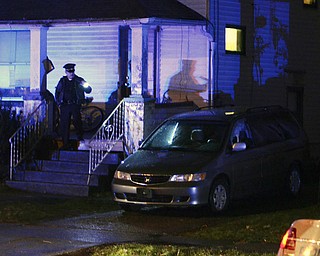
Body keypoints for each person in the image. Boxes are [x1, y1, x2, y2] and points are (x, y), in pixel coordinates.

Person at [55, 63, 92, 149]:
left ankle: (80, 138)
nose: (71, 73)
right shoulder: (62, 81)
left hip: (75, 104)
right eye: (69, 72)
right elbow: (57, 91)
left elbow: (88, 90)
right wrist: (59, 103)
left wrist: (85, 85)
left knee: (77, 122)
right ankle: (65, 142)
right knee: (65, 124)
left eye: (72, 71)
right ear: (66, 72)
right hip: (65, 105)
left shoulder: (78, 80)